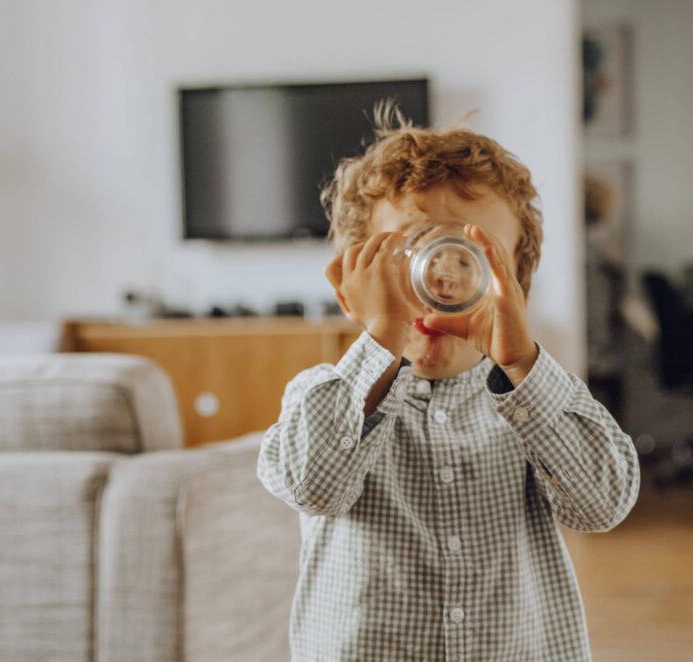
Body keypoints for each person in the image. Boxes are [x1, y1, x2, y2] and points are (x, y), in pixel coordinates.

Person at [257, 105, 640, 661]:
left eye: (472, 257)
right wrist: (384, 333)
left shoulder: (539, 401)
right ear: (352, 284)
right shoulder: (323, 396)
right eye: (407, 252)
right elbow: (314, 485)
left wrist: (523, 362)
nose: (439, 275)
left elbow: (602, 505)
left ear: (517, 286)